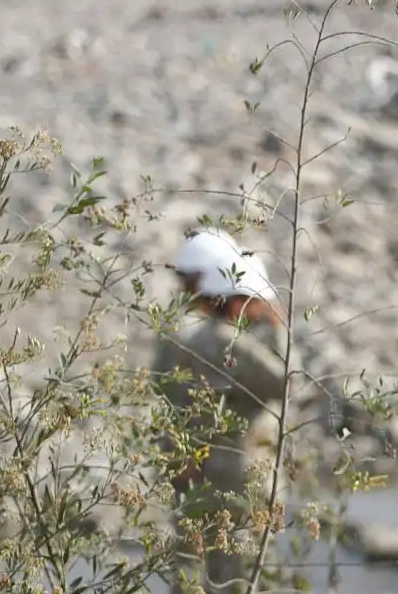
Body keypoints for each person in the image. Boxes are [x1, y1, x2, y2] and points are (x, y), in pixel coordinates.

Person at [153, 227, 291, 594]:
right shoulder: (225, 342)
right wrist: (276, 324)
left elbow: (163, 391)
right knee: (240, 574)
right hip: (237, 476)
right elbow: (284, 383)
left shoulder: (183, 333)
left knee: (192, 568)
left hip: (192, 471)